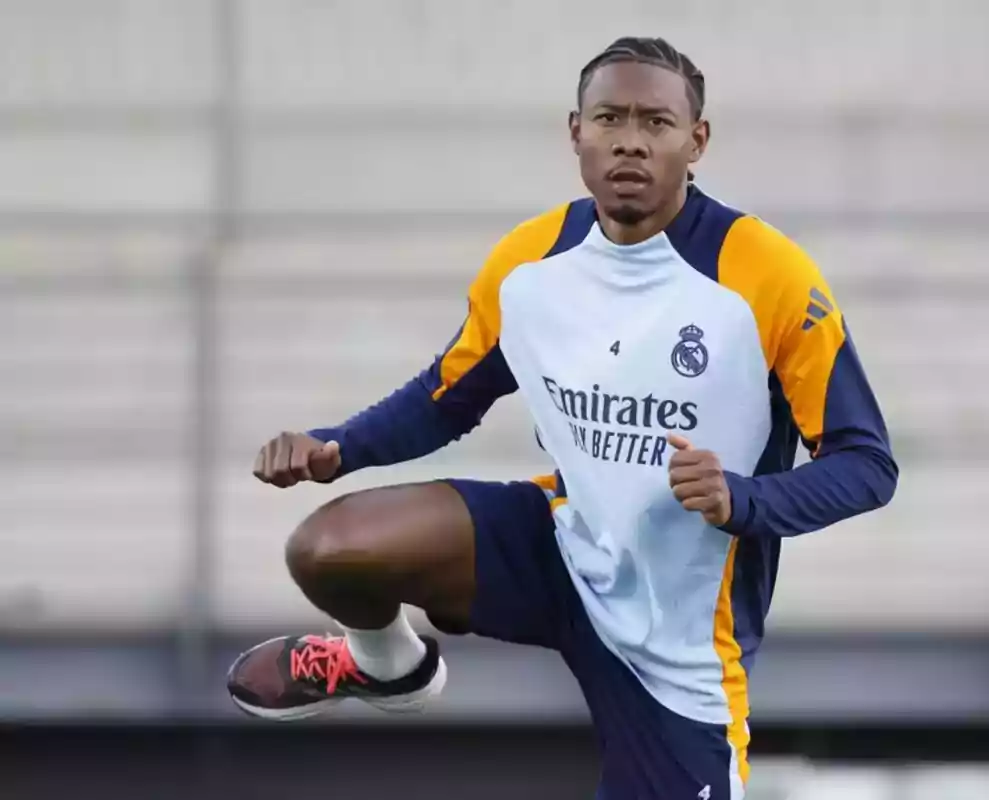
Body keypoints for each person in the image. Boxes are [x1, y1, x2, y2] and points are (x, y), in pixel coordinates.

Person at [227, 36, 898, 800]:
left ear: (696, 140)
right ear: (575, 131)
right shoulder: (532, 264)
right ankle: (387, 667)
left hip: (677, 647)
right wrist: (334, 448)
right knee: (329, 548)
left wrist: (743, 499)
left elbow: (867, 464)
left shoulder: (767, 276)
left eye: (657, 123)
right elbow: (447, 398)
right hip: (560, 545)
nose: (631, 142)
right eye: (610, 119)